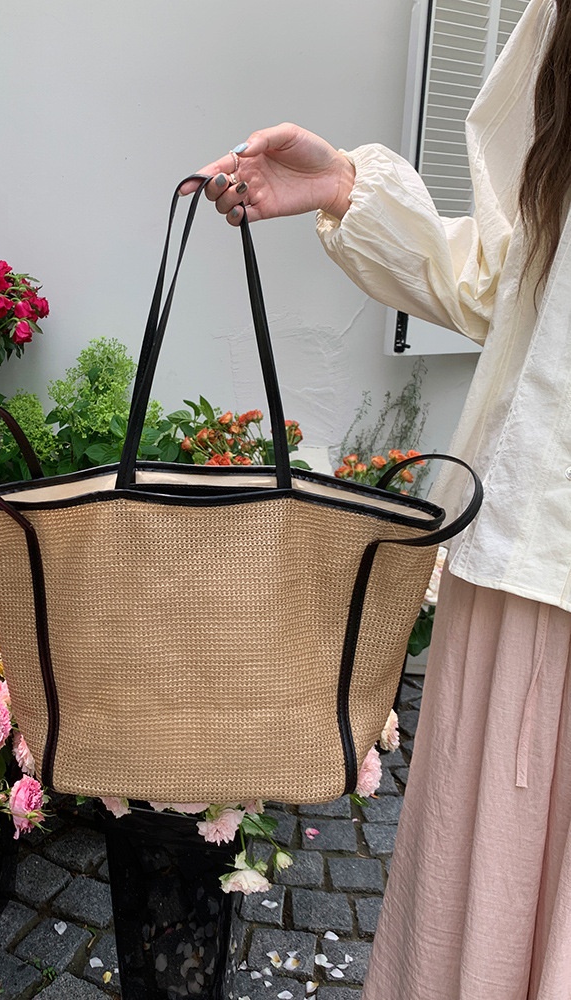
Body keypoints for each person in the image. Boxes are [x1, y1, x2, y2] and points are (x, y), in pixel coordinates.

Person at [190, 1, 570, 997]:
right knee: (481, 923)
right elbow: (511, 277)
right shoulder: (556, 27)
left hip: (538, 555)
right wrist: (343, 188)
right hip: (535, 551)